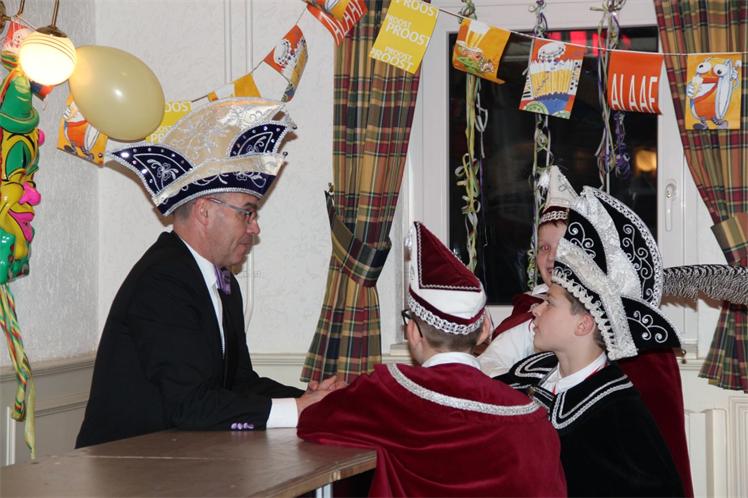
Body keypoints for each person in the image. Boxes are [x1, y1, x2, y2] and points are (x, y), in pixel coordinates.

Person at [76, 98, 336, 448]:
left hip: (176, 461)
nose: (255, 228)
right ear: (204, 211)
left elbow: (239, 384)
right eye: (247, 213)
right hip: (126, 467)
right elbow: (191, 405)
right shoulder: (162, 282)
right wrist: (299, 410)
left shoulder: (221, 281)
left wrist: (312, 401)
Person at [298, 221, 567, 497]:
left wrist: (329, 398)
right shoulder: (530, 416)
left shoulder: (387, 394)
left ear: (413, 333)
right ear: (484, 330)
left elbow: (313, 422)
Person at [480, 166, 694, 496]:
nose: (536, 310)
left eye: (549, 304)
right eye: (543, 247)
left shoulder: (618, 411)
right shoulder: (531, 369)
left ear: (584, 323)